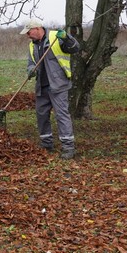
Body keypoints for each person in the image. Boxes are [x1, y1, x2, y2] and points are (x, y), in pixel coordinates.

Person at [21, 20, 80, 159]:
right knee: (41, 115)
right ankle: (46, 144)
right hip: (42, 86)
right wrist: (30, 71)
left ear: (36, 29)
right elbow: (30, 63)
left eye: (29, 32)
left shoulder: (56, 38)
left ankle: (68, 147)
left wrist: (67, 38)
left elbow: (75, 48)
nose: (28, 35)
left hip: (58, 85)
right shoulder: (32, 46)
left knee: (61, 115)